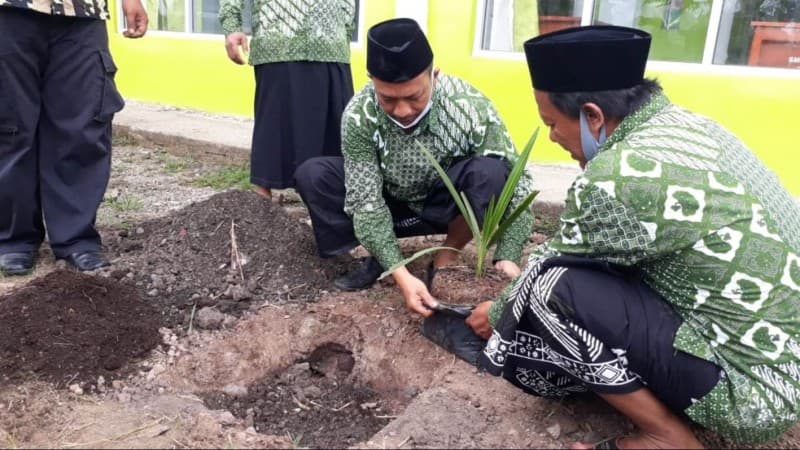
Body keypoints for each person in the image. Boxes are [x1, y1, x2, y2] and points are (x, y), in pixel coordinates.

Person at [464, 25, 800, 449]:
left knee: (548, 289)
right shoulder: (688, 126)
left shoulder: (617, 176)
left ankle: (666, 437)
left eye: (551, 123)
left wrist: (496, 314)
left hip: (751, 396)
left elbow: (553, 261)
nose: (552, 136)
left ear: (593, 116)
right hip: (788, 368)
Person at [295, 18, 536, 317]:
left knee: (491, 172)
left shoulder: (468, 105)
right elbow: (366, 202)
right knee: (314, 174)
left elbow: (518, 183)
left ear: (434, 76)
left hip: (444, 207)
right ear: (372, 80)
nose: (402, 110)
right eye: (388, 99)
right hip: (390, 201)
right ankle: (382, 259)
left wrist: (508, 256)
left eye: (413, 97)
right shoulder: (360, 115)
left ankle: (446, 258)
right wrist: (401, 275)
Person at [0, 0, 148, 275]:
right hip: (9, 9)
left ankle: (76, 238)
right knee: (9, 126)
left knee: (83, 124)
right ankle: (13, 239)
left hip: (81, 11)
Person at [219, 0, 356, 200]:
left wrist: (344, 29)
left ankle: (325, 202)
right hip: (279, 38)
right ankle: (261, 205)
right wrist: (232, 26)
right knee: (274, 123)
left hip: (331, 41)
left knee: (334, 129)